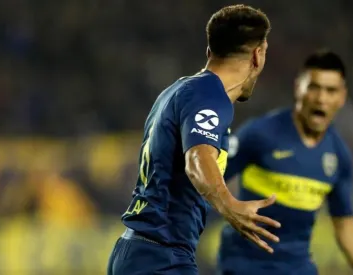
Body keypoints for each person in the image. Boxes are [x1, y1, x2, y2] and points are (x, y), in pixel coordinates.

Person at [107, 4, 281, 275]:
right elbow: (198, 158)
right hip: (161, 257)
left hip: (142, 252)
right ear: (258, 56)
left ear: (209, 52)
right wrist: (229, 205)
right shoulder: (209, 95)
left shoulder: (178, 91)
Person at [217, 50, 353, 275]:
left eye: (330, 90)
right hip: (244, 267)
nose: (321, 98)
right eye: (314, 87)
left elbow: (345, 225)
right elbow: (208, 181)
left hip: (297, 269)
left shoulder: (338, 156)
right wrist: (228, 208)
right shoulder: (259, 134)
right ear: (299, 88)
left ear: (342, 97)